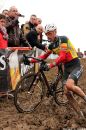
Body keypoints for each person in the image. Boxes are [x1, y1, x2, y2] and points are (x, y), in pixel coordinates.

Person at [28, 23, 86, 118]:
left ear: (55, 32)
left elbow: (63, 56)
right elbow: (43, 56)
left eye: (50, 33)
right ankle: (81, 115)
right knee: (67, 93)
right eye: (46, 34)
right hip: (66, 68)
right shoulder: (51, 46)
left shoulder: (63, 39)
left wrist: (51, 65)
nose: (48, 36)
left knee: (69, 85)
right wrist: (31, 60)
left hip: (75, 65)